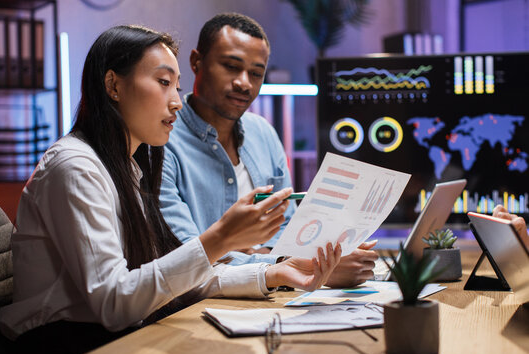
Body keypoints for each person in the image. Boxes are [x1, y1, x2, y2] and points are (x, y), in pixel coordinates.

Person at [0, 25, 341, 354]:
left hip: (109, 334)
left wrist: (272, 273)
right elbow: (116, 304)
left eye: (177, 87)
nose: (177, 102)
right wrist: (219, 239)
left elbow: (168, 277)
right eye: (164, 83)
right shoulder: (76, 168)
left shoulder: (128, 166)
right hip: (61, 343)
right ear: (113, 85)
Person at [159, 13, 377, 287]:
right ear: (195, 62)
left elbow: (288, 227)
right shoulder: (162, 141)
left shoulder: (263, 133)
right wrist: (282, 264)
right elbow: (185, 255)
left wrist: (286, 259)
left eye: (256, 73)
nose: (244, 82)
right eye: (230, 66)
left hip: (277, 291)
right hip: (200, 304)